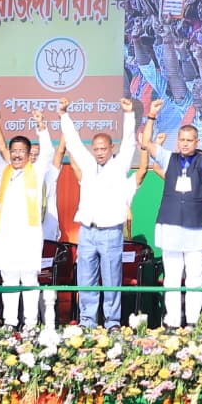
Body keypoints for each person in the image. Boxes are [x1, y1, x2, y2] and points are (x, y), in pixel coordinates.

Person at [139, 98, 202, 328]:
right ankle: (172, 322)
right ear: (177, 141)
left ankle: (193, 322)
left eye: (189, 140)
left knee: (195, 277)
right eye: (182, 140)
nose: (185, 144)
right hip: (171, 225)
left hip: (196, 227)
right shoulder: (169, 158)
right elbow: (146, 143)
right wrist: (151, 116)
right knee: (172, 277)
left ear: (196, 142)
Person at [61, 97, 137, 328]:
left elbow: (130, 143)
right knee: (86, 279)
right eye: (96, 149)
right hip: (87, 231)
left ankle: (112, 322)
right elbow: (74, 142)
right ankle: (87, 321)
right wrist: (64, 114)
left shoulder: (120, 164)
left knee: (112, 279)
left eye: (104, 148)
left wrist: (129, 114)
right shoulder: (87, 163)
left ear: (111, 148)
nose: (100, 152)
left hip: (111, 232)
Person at [0, 109, 54, 328]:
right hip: (5, 236)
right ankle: (10, 323)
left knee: (29, 279)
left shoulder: (37, 171)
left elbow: (48, 152)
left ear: (29, 154)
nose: (17, 155)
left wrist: (42, 127)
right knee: (9, 280)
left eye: (21, 151)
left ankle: (30, 324)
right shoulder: (5, 171)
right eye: (13, 151)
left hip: (28, 236)